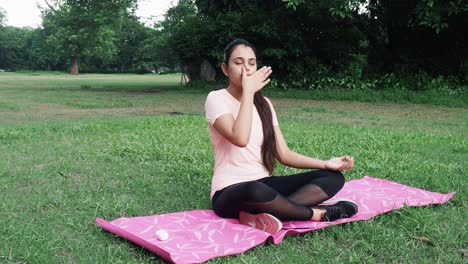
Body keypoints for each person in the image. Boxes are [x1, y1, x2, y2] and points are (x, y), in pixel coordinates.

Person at [204, 39, 358, 234]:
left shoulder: (265, 104)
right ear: (225, 69)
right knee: (255, 190)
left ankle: (269, 212)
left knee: (333, 178)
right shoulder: (216, 98)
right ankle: (316, 214)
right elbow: (240, 138)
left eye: (252, 63)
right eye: (239, 62)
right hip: (230, 191)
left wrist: (326, 163)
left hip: (265, 184)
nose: (247, 69)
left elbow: (283, 154)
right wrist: (249, 92)